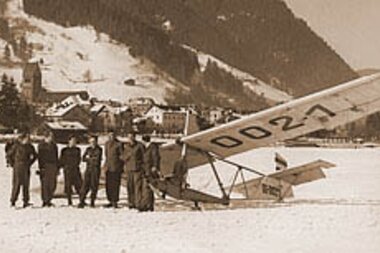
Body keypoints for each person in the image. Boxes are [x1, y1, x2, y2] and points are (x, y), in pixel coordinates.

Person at [8, 133, 37, 208]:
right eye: (26, 139)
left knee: (26, 185)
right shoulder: (16, 146)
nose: (28, 140)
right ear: (22, 139)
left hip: (26, 167)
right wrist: (13, 164)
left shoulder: (30, 147)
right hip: (18, 167)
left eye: (28, 139)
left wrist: (30, 163)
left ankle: (26, 201)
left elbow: (35, 155)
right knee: (17, 184)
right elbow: (9, 155)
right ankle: (13, 201)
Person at [78, 135, 103, 208]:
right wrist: (91, 158)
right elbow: (83, 158)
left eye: (94, 141)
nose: (92, 143)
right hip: (88, 169)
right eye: (91, 141)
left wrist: (89, 158)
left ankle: (92, 201)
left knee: (94, 186)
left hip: (95, 170)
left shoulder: (99, 149)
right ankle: (82, 201)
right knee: (85, 185)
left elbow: (97, 160)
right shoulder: (88, 149)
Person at [123, 132, 145, 209]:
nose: (130, 138)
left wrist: (142, 166)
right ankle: (131, 203)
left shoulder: (140, 146)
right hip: (129, 169)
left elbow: (144, 157)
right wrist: (126, 156)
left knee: (137, 187)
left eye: (132, 137)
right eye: (129, 137)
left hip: (137, 169)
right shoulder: (126, 146)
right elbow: (123, 157)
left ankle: (138, 203)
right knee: (130, 187)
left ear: (135, 137)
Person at [37, 132, 59, 207]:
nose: (52, 138)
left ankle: (49, 199)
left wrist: (57, 167)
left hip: (53, 166)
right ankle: (45, 200)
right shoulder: (41, 145)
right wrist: (41, 167)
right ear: (46, 137)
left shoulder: (54, 145)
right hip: (45, 166)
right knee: (45, 184)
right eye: (50, 136)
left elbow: (56, 157)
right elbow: (40, 157)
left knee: (52, 184)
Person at [139, 135, 161, 212]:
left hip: (150, 170)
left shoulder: (152, 147)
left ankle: (146, 205)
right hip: (146, 169)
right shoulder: (147, 148)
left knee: (147, 187)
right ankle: (149, 205)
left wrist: (155, 166)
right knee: (148, 188)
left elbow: (156, 157)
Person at [60, 136, 82, 206]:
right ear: (69, 141)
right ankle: (69, 201)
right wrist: (64, 166)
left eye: (75, 141)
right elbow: (61, 159)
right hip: (68, 169)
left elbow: (79, 159)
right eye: (72, 141)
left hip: (75, 169)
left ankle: (81, 200)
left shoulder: (77, 150)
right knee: (68, 185)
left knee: (79, 185)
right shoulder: (64, 150)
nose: (74, 142)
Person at [104, 131, 124, 208]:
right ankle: (110, 200)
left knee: (115, 185)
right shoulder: (107, 144)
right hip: (108, 167)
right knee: (108, 185)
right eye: (109, 135)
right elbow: (106, 155)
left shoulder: (119, 144)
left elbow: (121, 156)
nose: (111, 136)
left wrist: (121, 166)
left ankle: (115, 201)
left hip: (116, 167)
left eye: (113, 135)